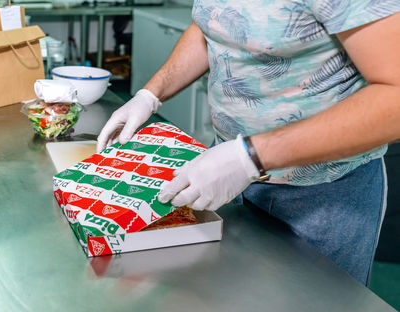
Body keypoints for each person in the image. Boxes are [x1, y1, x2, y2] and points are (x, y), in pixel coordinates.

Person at [97, 1, 400, 285]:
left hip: (323, 197)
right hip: (230, 180)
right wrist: (150, 95)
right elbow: (210, 26)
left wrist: (250, 157)